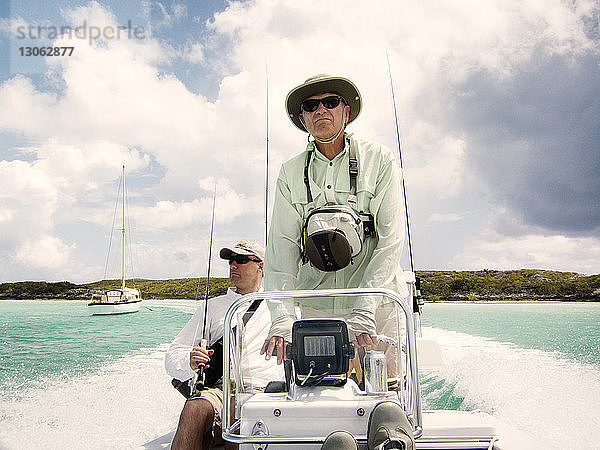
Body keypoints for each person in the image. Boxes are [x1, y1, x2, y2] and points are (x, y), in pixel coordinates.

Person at [261, 74, 408, 364]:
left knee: (387, 395)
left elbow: (390, 241)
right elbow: (282, 249)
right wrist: (282, 317)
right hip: (316, 306)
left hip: (377, 303)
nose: (321, 110)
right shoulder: (289, 172)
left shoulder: (380, 159)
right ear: (303, 118)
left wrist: (365, 306)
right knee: (320, 392)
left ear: (346, 111)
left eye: (330, 102)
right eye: (310, 106)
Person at [166, 241, 280, 449]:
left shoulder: (279, 306)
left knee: (240, 411)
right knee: (194, 409)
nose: (233, 265)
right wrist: (189, 360)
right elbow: (172, 356)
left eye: (242, 260)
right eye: (231, 260)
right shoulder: (211, 307)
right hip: (219, 389)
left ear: (260, 266)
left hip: (264, 390)